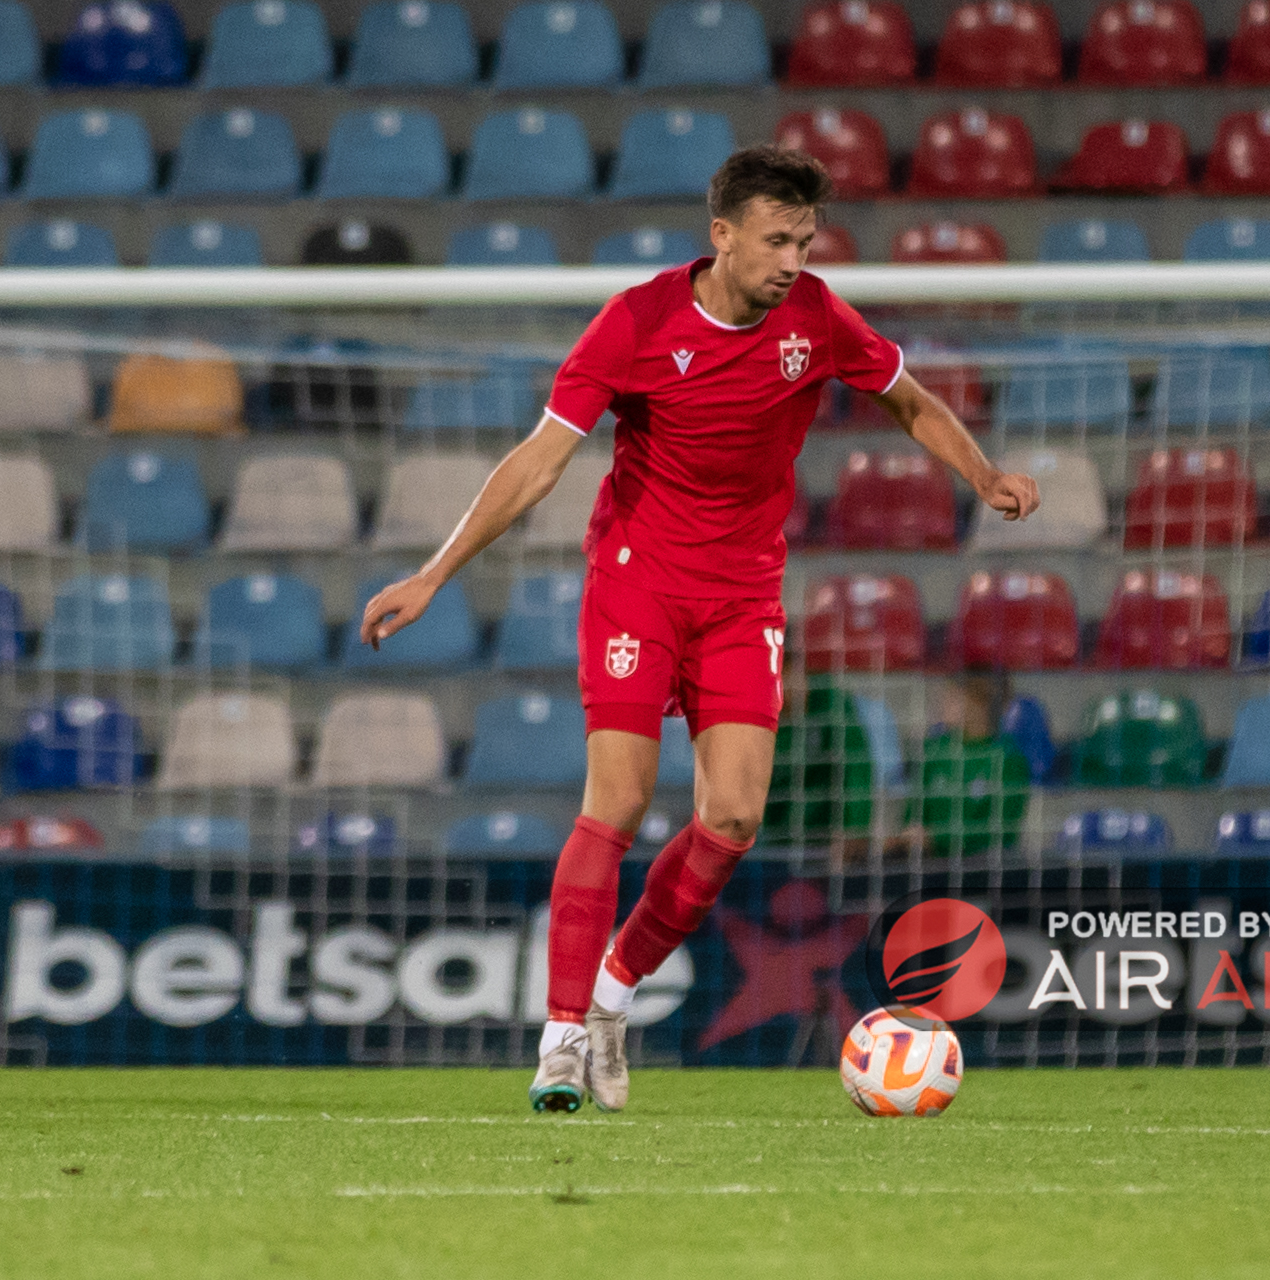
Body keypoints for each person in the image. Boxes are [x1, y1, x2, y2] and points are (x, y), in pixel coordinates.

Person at [358, 145, 1040, 1113]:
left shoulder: (816, 317)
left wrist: (983, 474)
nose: (793, 261)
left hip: (743, 596)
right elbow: (541, 458)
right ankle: (560, 1039)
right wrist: (435, 573)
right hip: (638, 584)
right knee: (619, 801)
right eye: (775, 241)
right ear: (721, 235)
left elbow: (908, 398)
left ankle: (613, 992)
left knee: (733, 819)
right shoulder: (636, 321)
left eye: (804, 242)